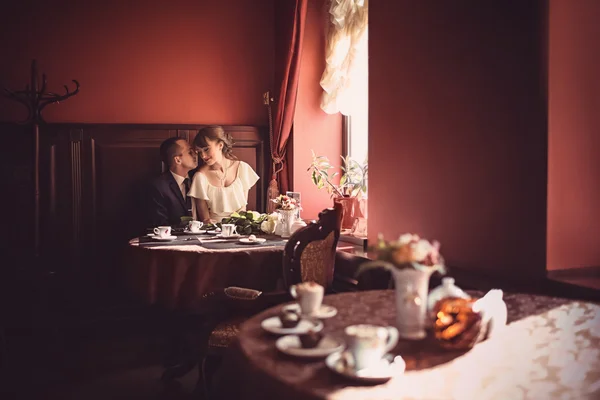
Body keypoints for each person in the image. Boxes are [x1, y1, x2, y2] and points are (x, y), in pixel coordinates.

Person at [189, 125, 259, 223]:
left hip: (239, 229)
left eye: (206, 149)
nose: (203, 156)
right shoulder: (200, 177)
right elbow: (205, 219)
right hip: (212, 232)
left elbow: (243, 209)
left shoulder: (242, 169)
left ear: (220, 145)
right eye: (200, 152)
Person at [147, 137, 198, 227]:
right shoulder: (159, 187)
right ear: (178, 160)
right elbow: (160, 224)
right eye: (190, 152)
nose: (195, 154)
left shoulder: (198, 178)